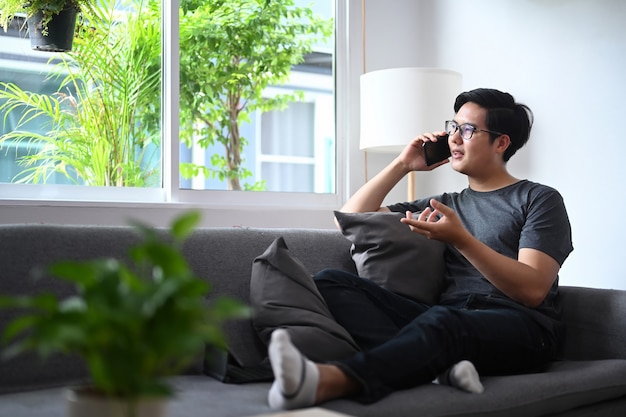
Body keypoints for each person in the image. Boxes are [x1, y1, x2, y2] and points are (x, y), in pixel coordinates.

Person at [267, 88, 573, 410]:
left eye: (467, 130)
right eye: (453, 127)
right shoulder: (446, 204)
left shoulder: (538, 199)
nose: (454, 138)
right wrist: (403, 164)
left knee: (445, 322)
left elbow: (533, 289)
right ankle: (439, 364)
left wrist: (460, 239)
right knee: (331, 281)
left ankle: (326, 382)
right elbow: (350, 218)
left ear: (501, 143)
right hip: (451, 317)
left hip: (522, 327)